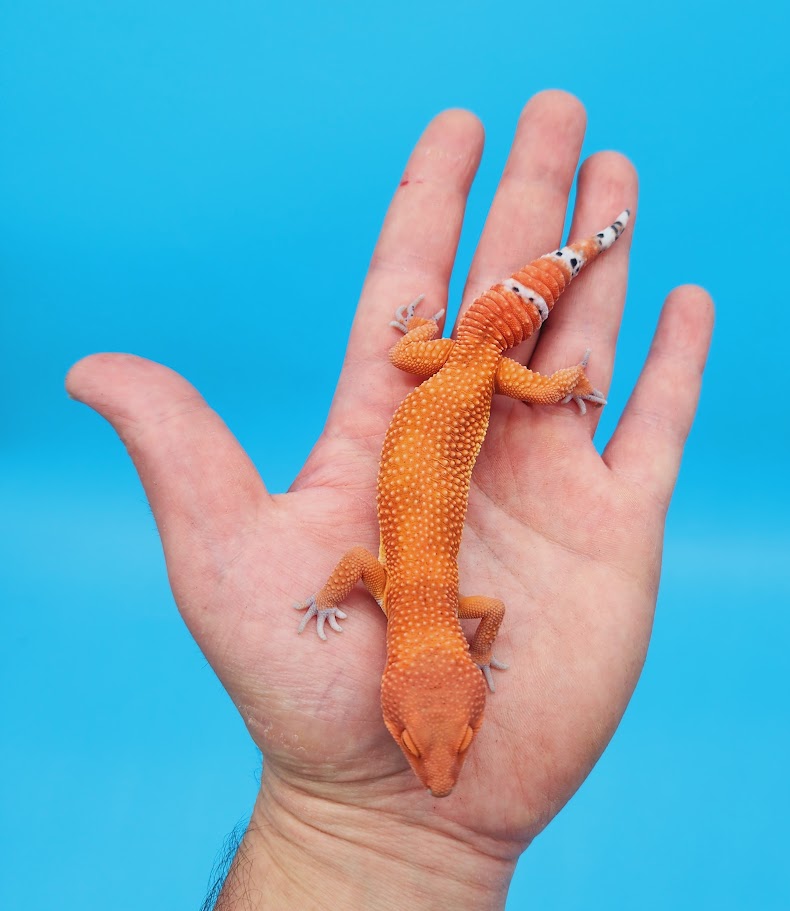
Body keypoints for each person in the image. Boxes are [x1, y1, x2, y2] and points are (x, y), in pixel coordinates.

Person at [66, 90, 714, 909]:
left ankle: (578, 278)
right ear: (396, 681)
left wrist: (423, 632)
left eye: (419, 744)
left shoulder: (441, 601)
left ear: (400, 685)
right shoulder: (420, 597)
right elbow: (361, 569)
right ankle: (576, 285)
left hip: (458, 369)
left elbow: (422, 591)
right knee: (516, 378)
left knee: (515, 380)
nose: (436, 774)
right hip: (465, 376)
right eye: (435, 742)